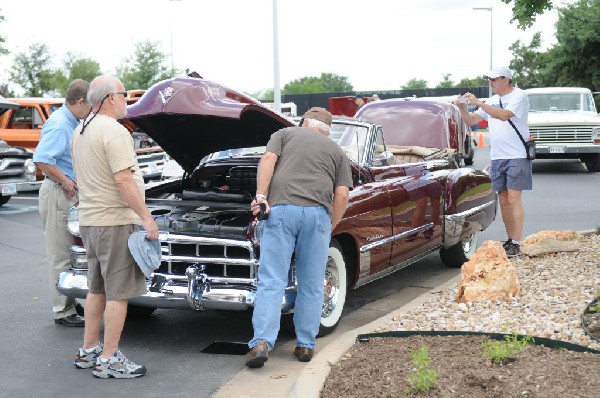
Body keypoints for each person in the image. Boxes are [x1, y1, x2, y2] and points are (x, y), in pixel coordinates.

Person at [245, 107, 352, 368]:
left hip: (282, 210)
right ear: (328, 131)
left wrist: (260, 196)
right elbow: (342, 195)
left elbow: (269, 158)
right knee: (312, 283)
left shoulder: (284, 133)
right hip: (317, 216)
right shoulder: (337, 152)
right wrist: (329, 225)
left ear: (304, 122)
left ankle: (261, 342)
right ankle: (305, 345)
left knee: (272, 279)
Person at [70, 75, 159, 378]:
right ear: (110, 97)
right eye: (124, 94)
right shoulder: (114, 131)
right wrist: (147, 218)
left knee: (97, 289)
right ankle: (109, 360)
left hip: (91, 221)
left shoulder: (81, 130)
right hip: (116, 221)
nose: (127, 100)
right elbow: (123, 180)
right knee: (119, 294)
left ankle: (88, 350)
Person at [455, 66, 531, 258]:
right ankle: (510, 240)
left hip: (517, 155)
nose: (490, 82)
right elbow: (471, 121)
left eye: (493, 79)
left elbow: (504, 115)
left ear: (505, 79)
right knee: (504, 201)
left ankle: (517, 242)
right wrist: (463, 107)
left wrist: (478, 102)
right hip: (497, 156)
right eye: (489, 79)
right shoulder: (492, 101)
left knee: (514, 199)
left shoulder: (519, 96)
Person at [33, 79, 91, 327]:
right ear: (80, 102)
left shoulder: (70, 121)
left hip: (65, 191)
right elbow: (43, 160)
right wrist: (67, 182)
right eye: (90, 105)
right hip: (59, 192)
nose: (92, 111)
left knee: (72, 251)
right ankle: (63, 311)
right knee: (60, 253)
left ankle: (69, 300)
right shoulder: (59, 125)